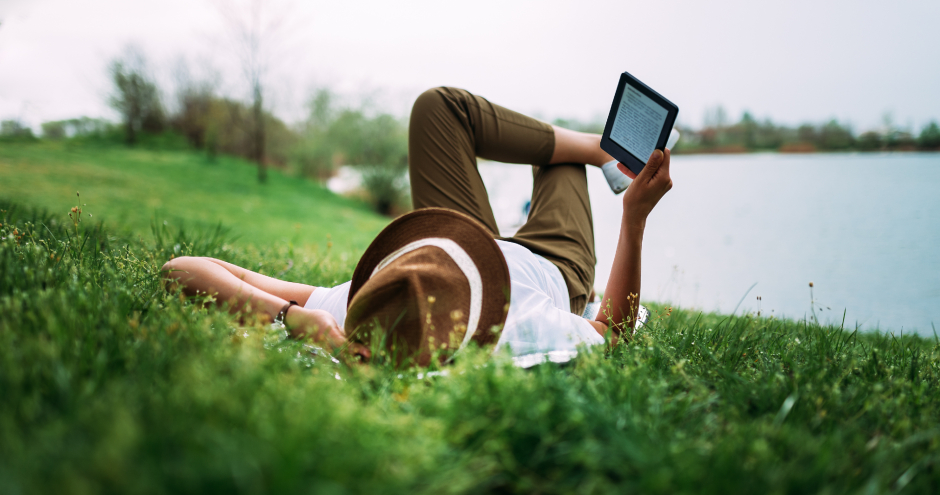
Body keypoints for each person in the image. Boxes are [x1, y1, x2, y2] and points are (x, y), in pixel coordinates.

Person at [162, 87, 673, 366]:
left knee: (438, 108)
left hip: (458, 242)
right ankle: (600, 152)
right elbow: (613, 334)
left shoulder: (358, 312)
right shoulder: (518, 327)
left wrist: (298, 320)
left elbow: (183, 268)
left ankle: (597, 147)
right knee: (559, 165)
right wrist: (633, 220)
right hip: (552, 265)